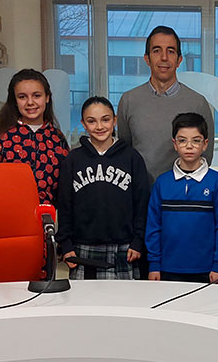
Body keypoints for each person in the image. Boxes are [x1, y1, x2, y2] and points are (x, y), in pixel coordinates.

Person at [55, 97, 151, 280]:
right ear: (83, 123)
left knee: (126, 306)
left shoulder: (132, 158)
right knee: (87, 307)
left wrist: (138, 241)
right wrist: (65, 245)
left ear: (115, 120)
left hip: (125, 249)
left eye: (105, 119)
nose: (99, 126)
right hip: (83, 248)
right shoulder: (73, 160)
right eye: (91, 121)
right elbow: (65, 205)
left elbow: (142, 204)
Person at [146, 112, 218, 284]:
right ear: (175, 144)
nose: (189, 146)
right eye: (182, 140)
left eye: (196, 140)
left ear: (205, 144)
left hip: (206, 270)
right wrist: (154, 265)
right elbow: (153, 227)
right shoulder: (162, 183)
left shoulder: (216, 182)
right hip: (167, 269)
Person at [117, 25, 213, 178]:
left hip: (183, 197)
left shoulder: (197, 103)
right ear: (147, 59)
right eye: (156, 51)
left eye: (170, 51)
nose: (164, 57)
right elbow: (124, 153)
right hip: (141, 196)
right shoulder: (129, 101)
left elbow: (205, 156)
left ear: (179, 60)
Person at [0, 68, 68, 204]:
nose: (30, 102)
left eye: (36, 95)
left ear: (47, 97)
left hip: (48, 219)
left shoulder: (57, 139)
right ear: (15, 101)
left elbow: (65, 188)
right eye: (22, 97)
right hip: (7, 216)